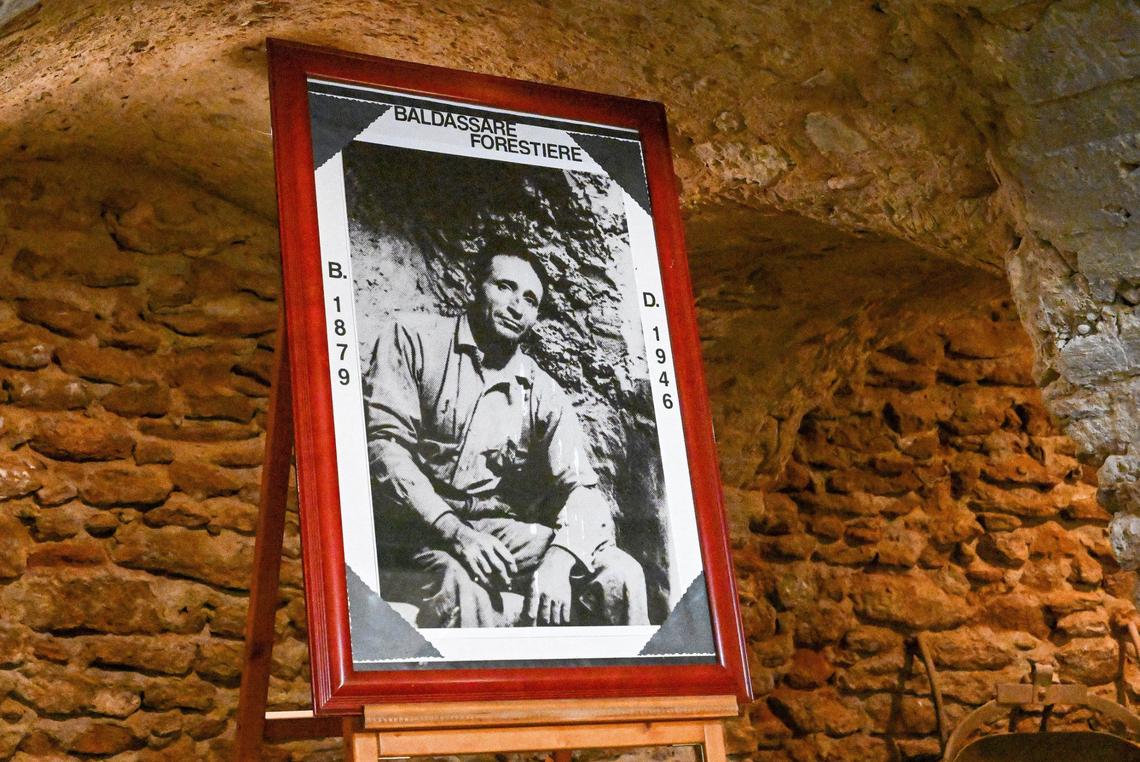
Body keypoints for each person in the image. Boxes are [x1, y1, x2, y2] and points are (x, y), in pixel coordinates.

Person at [363, 247, 649, 628]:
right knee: (462, 589)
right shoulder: (414, 340)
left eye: (530, 300)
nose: (518, 307)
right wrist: (455, 532)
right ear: (472, 288)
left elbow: (583, 490)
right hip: (412, 529)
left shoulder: (542, 392)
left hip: (493, 530)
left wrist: (558, 562)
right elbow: (385, 447)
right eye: (505, 287)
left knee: (619, 573)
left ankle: (622, 687)